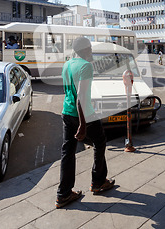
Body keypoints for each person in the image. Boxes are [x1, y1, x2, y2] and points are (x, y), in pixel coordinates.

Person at [56, 37, 115, 209]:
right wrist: (82, 124)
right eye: (89, 48)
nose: (91, 51)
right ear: (83, 50)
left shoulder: (67, 64)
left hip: (66, 112)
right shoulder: (85, 66)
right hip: (85, 115)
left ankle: (63, 194)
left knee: (68, 152)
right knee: (100, 142)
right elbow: (81, 98)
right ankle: (98, 182)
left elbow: (69, 91)